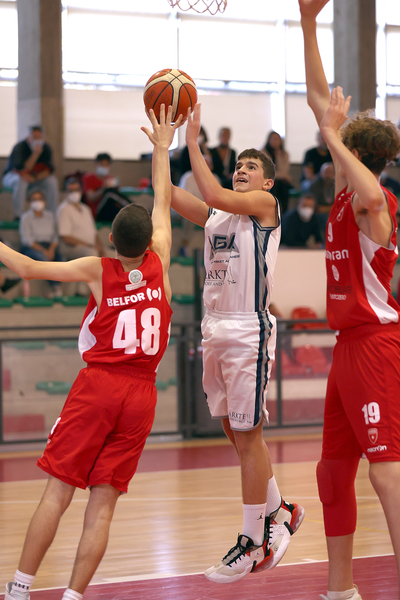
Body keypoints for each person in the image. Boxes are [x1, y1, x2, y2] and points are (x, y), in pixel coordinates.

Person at [3, 104, 181, 600]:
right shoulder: (162, 262)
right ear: (150, 241)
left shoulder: (98, 270)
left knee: (58, 491)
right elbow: (163, 198)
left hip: (100, 386)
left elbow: (27, 269)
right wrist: (162, 148)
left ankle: (20, 589)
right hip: (141, 396)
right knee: (102, 506)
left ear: (110, 239)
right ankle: (74, 595)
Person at [171, 103, 305, 584]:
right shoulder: (215, 217)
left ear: (267, 182)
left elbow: (210, 190)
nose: (241, 170)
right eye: (239, 166)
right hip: (215, 329)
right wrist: (162, 146)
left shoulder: (266, 208)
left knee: (249, 437)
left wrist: (192, 141)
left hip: (248, 330)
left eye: (250, 167)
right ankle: (282, 510)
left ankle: (253, 541)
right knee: (234, 431)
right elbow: (166, 193)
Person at [299, 1, 400, 599]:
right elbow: (320, 101)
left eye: (339, 149)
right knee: (333, 471)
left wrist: (334, 137)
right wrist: (309, 23)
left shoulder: (374, 204)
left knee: (386, 474)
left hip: (376, 344)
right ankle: (341, 590)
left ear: (357, 157)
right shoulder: (345, 190)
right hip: (347, 348)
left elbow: (374, 197)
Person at [2, 125, 59, 220]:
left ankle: (52, 214)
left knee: (52, 181)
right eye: (34, 137)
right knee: (21, 181)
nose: (37, 140)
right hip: (13, 177)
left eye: (39, 138)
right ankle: (18, 215)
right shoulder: (20, 147)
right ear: (28, 137)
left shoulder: (46, 148)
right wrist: (35, 154)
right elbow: (21, 170)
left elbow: (48, 170)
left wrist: (35, 178)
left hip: (33, 179)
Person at [19, 190, 64, 298]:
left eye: (40, 199)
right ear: (29, 202)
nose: (37, 202)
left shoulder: (51, 216)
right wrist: (44, 251)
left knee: (61, 259)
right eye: (34, 199)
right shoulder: (25, 218)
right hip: (32, 247)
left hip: (49, 246)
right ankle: (55, 287)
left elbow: (55, 236)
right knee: (43, 259)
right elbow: (27, 240)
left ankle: (56, 288)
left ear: (45, 201)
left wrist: (51, 249)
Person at [81, 153, 130, 222]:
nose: (104, 167)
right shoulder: (88, 178)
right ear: (96, 164)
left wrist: (116, 187)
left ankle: (133, 210)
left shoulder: (110, 179)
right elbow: (91, 198)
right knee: (109, 192)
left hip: (110, 210)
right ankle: (133, 208)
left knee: (124, 213)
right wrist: (104, 188)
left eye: (106, 165)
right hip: (97, 212)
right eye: (102, 164)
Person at [262, 131, 294, 214]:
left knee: (283, 188)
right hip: (267, 181)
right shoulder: (263, 153)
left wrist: (278, 157)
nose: (275, 142)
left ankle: (284, 215)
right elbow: (266, 172)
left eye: (277, 139)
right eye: (273, 139)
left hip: (282, 182)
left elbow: (284, 171)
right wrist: (281, 175)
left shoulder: (284, 154)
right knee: (273, 186)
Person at [308, 162, 335, 235]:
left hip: (333, 213)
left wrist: (328, 208)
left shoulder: (336, 185)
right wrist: (332, 208)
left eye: (330, 172)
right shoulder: (314, 186)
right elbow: (316, 207)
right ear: (321, 173)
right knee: (326, 219)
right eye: (326, 172)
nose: (328, 175)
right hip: (318, 214)